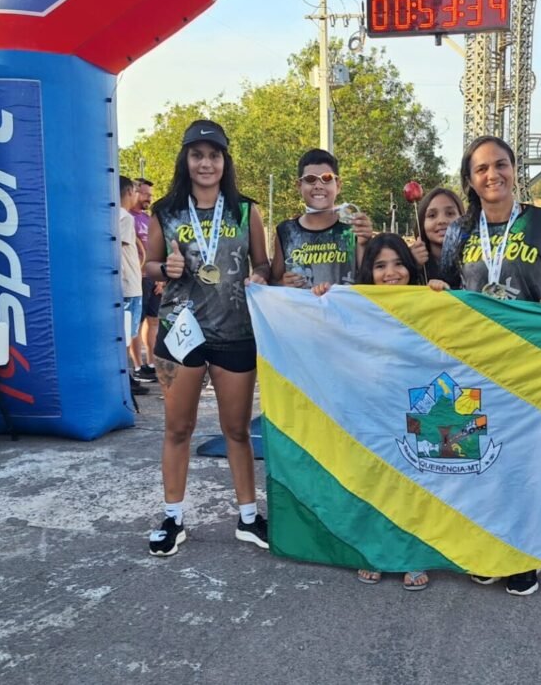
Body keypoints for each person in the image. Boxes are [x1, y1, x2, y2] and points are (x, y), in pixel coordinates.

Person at [441, 135, 541, 596]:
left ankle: (524, 555)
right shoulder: (460, 230)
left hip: (533, 363)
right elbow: (442, 292)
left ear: (514, 168)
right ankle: (486, 546)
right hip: (476, 362)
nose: (492, 175)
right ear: (470, 179)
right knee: (480, 458)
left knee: (525, 461)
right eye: (481, 169)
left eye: (500, 164)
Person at [143, 119, 270, 557]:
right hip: (181, 333)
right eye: (197, 155)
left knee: (236, 430)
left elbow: (265, 263)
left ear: (224, 161)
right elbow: (148, 265)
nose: (205, 163)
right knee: (178, 428)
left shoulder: (244, 210)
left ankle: (249, 518)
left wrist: (259, 275)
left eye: (213, 155)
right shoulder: (166, 210)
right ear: (186, 160)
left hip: (235, 331)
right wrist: (166, 270)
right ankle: (173, 518)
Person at [349, 233, 427, 589]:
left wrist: (441, 292)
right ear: (369, 272)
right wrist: (323, 298)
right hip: (373, 405)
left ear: (411, 267)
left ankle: (413, 553)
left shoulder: (426, 299)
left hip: (414, 403)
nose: (391, 273)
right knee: (375, 478)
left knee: (415, 478)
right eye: (380, 266)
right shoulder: (358, 304)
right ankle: (374, 551)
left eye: (398, 263)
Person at [269, 149, 373, 294]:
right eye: (310, 179)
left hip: (344, 314)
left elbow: (370, 280)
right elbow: (272, 282)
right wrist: (282, 283)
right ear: (299, 185)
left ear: (338, 185)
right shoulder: (286, 231)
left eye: (326, 178)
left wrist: (365, 243)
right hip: (300, 314)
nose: (318, 185)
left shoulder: (354, 228)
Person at [119, 176, 148, 397]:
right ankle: (125, 376)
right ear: (129, 192)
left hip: (129, 283)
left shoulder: (114, 216)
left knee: (127, 333)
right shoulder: (125, 218)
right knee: (127, 334)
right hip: (129, 285)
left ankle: (126, 375)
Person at [131, 177, 160, 381]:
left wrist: (161, 277)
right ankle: (137, 366)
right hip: (136, 277)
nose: (148, 198)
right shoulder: (124, 217)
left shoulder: (148, 219)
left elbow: (157, 249)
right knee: (136, 322)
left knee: (154, 320)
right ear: (133, 192)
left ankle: (151, 362)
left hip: (152, 278)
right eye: (145, 194)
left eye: (150, 195)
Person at [409, 187, 464, 288]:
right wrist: (412, 266)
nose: (442, 221)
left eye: (450, 213)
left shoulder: (476, 258)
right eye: (432, 215)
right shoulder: (408, 260)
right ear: (422, 223)